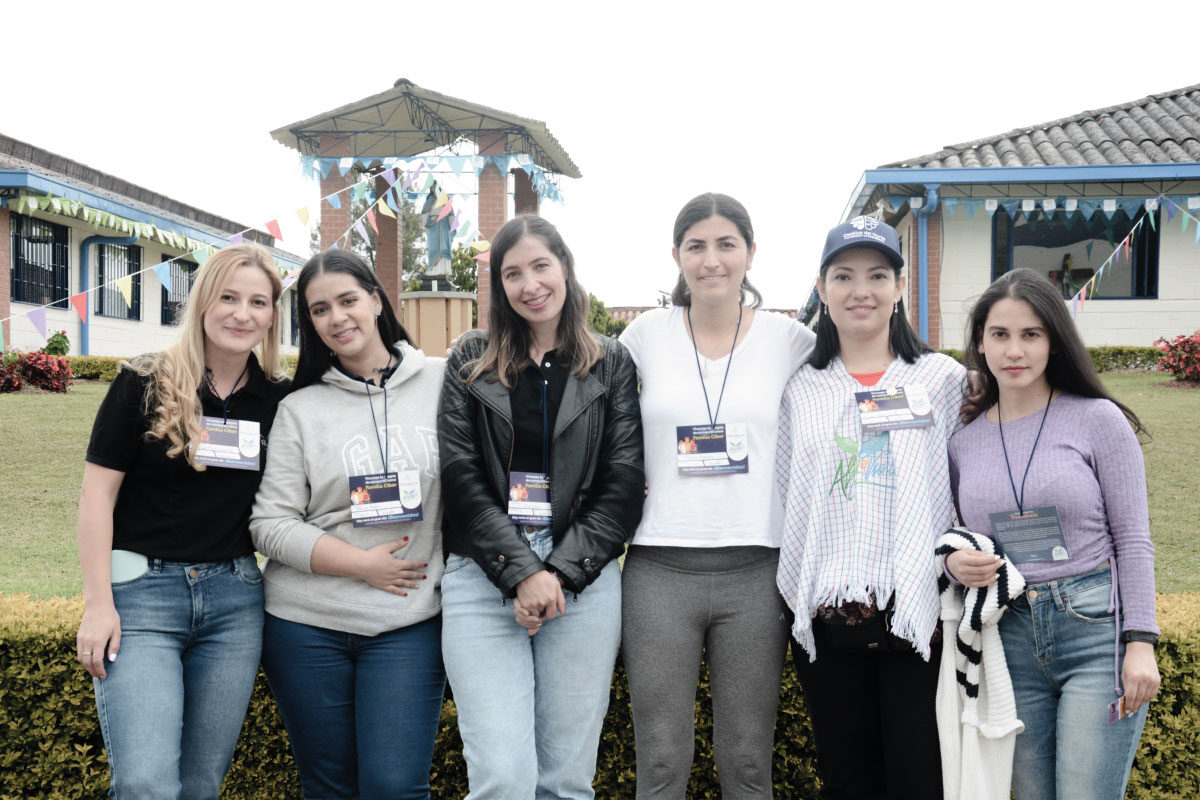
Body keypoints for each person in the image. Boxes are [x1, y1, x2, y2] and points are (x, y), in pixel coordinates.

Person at [437, 214, 644, 799]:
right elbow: (461, 478)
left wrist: (556, 573)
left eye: (540, 266)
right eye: (512, 273)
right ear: (499, 286)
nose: (529, 284)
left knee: (566, 781)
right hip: (483, 577)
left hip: (582, 581)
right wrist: (522, 572)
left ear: (565, 267)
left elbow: (622, 483)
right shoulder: (469, 359)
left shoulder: (611, 363)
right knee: (502, 777)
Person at [619, 193, 815, 799]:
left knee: (748, 762)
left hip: (757, 571)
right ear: (676, 256)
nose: (712, 260)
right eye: (696, 246)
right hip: (659, 569)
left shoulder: (791, 339)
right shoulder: (644, 335)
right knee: (659, 760)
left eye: (726, 244)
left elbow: (861, 379)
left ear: (751, 253)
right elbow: (599, 420)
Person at [75, 244, 289, 799]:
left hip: (235, 604)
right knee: (146, 783)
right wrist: (99, 605)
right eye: (229, 297)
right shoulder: (145, 380)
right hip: (144, 598)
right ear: (202, 302)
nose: (243, 314)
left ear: (272, 315)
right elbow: (97, 496)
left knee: (199, 786)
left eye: (258, 302)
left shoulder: (278, 400)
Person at [946, 268, 1159, 800]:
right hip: (1009, 637)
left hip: (1094, 634)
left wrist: (1141, 643)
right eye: (1000, 334)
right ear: (979, 342)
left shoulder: (1096, 420)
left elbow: (1133, 538)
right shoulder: (963, 442)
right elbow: (952, 535)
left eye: (1031, 334)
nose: (1014, 350)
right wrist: (952, 563)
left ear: (1054, 341)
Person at [776, 216, 966, 800]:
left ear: (900, 287)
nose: (862, 290)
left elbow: (968, 483)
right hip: (829, 613)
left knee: (919, 776)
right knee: (848, 777)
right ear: (822, 287)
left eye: (878, 275)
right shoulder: (800, 388)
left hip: (918, 611)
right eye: (844, 275)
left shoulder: (943, 380)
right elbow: (787, 497)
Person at [250, 248, 446, 799]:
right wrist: (362, 566)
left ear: (377, 301)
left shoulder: (443, 381)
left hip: (407, 621)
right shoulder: (300, 408)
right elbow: (269, 522)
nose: (337, 318)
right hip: (304, 623)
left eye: (348, 300)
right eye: (318, 309)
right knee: (329, 788)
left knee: (394, 786)